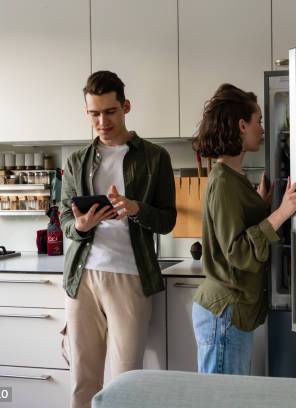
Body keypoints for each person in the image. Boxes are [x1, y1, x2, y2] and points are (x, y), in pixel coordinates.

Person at [60, 71, 176, 408]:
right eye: (94, 114)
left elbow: (167, 220)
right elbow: (65, 218)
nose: (101, 121)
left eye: (109, 112)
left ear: (125, 106)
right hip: (81, 276)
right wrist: (81, 226)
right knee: (83, 378)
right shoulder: (76, 160)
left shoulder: (155, 157)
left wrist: (137, 208)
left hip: (130, 275)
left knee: (126, 380)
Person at [191, 83, 296, 375]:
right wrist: (283, 212)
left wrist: (260, 204)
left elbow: (240, 226)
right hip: (224, 312)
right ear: (241, 125)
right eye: (258, 121)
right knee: (222, 401)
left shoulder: (234, 178)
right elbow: (237, 251)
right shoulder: (222, 181)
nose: (262, 128)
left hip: (231, 310)